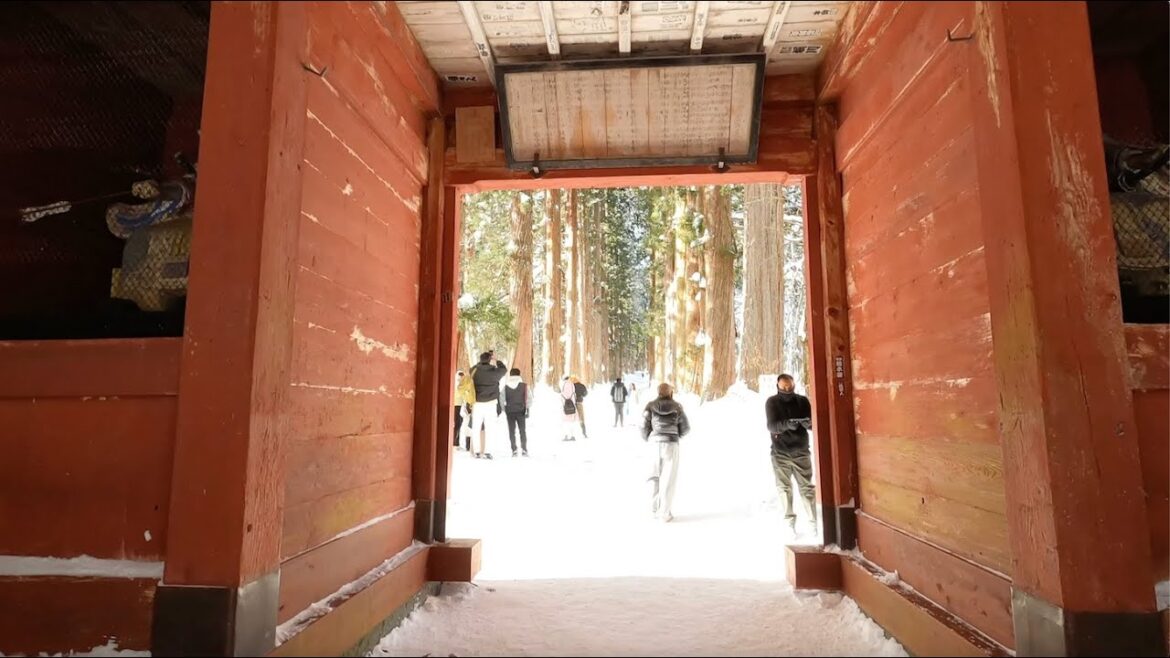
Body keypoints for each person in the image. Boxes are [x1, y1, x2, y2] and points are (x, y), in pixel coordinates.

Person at [765, 374, 817, 536]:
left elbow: (813, 423)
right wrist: (787, 424)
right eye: (784, 387)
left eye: (790, 386)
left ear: (794, 385)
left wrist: (808, 423)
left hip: (801, 450)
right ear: (778, 386)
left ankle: (814, 522)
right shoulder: (772, 402)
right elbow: (772, 426)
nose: (787, 389)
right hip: (780, 452)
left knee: (807, 487)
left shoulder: (802, 401)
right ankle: (790, 523)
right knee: (784, 488)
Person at [642, 382, 690, 522]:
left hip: (653, 444)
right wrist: (676, 434)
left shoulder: (650, 406)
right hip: (671, 444)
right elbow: (686, 428)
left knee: (654, 476)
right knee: (668, 479)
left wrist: (648, 437)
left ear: (658, 393)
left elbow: (642, 426)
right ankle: (665, 513)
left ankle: (653, 509)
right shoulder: (677, 407)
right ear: (670, 393)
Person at [469, 351, 507, 459]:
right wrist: (496, 360)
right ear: (490, 360)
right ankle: (487, 451)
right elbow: (504, 369)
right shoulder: (494, 372)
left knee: (476, 427)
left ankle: (476, 451)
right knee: (490, 428)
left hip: (477, 402)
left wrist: (480, 363)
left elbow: (471, 369)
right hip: (490, 403)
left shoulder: (475, 370)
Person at [503, 367, 531, 457]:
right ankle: (524, 449)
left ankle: (514, 449)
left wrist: (505, 409)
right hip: (521, 411)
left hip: (510, 411)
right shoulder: (524, 385)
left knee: (511, 431)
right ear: (519, 375)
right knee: (522, 431)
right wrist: (526, 407)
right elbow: (529, 398)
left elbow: (501, 399)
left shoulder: (506, 386)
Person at [560, 376, 581, 442]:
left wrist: (563, 404)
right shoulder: (572, 385)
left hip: (565, 406)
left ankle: (566, 435)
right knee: (572, 422)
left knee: (565, 422)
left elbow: (562, 396)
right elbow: (574, 395)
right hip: (572, 406)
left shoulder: (563, 385)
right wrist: (573, 403)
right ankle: (572, 436)